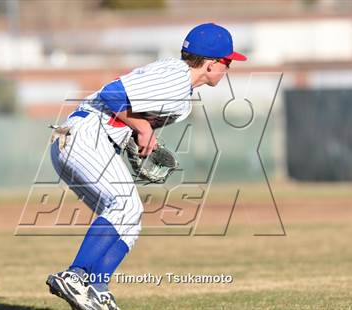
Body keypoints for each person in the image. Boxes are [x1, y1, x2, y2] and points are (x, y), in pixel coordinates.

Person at [46, 23, 246, 310]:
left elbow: (127, 116)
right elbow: (110, 94)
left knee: (131, 218)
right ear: (212, 64)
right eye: (228, 62)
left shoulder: (183, 96)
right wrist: (143, 129)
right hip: (84, 135)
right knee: (123, 206)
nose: (228, 68)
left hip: (90, 141)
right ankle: (75, 276)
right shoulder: (175, 76)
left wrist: (137, 143)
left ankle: (96, 287)